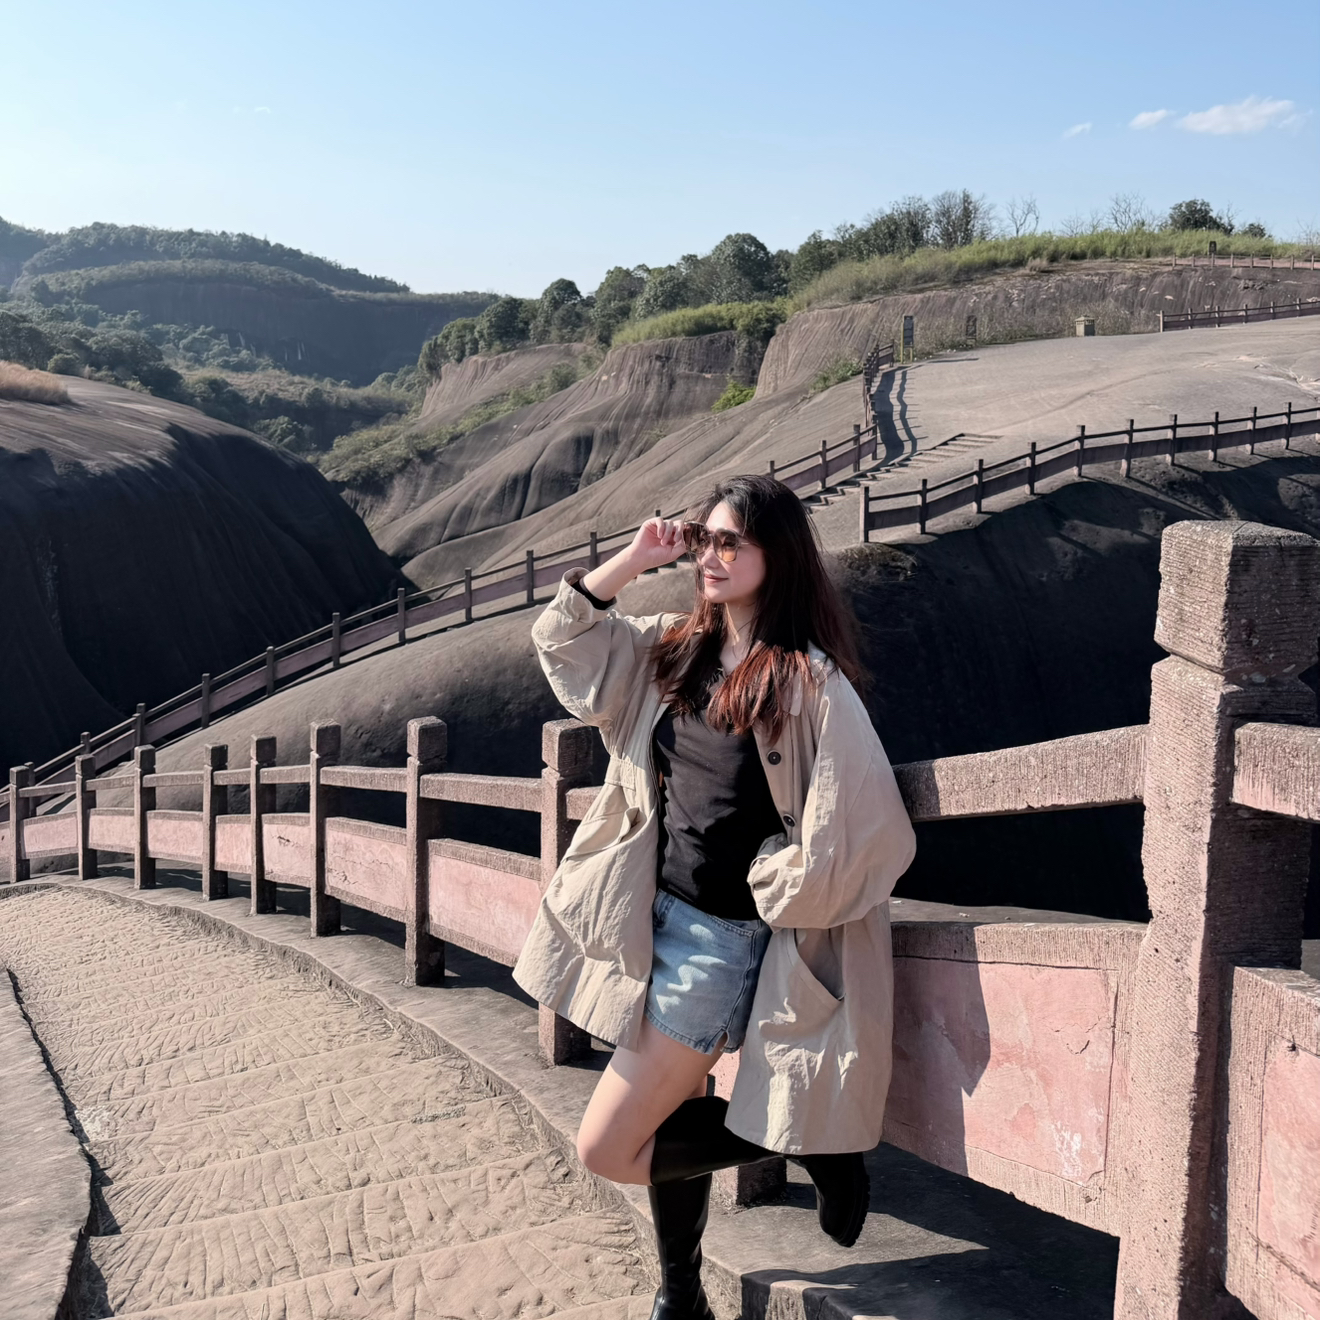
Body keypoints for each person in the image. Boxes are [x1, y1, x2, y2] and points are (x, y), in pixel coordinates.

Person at [513, 474, 916, 1320]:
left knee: (608, 1147)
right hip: (646, 918)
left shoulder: (808, 685)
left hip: (718, 944)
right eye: (706, 540)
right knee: (675, 1115)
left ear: (779, 557)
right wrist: (635, 558)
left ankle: (810, 1143)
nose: (713, 556)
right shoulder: (671, 649)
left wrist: (777, 879)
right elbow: (562, 643)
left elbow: (870, 829)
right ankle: (682, 1294)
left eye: (732, 542)